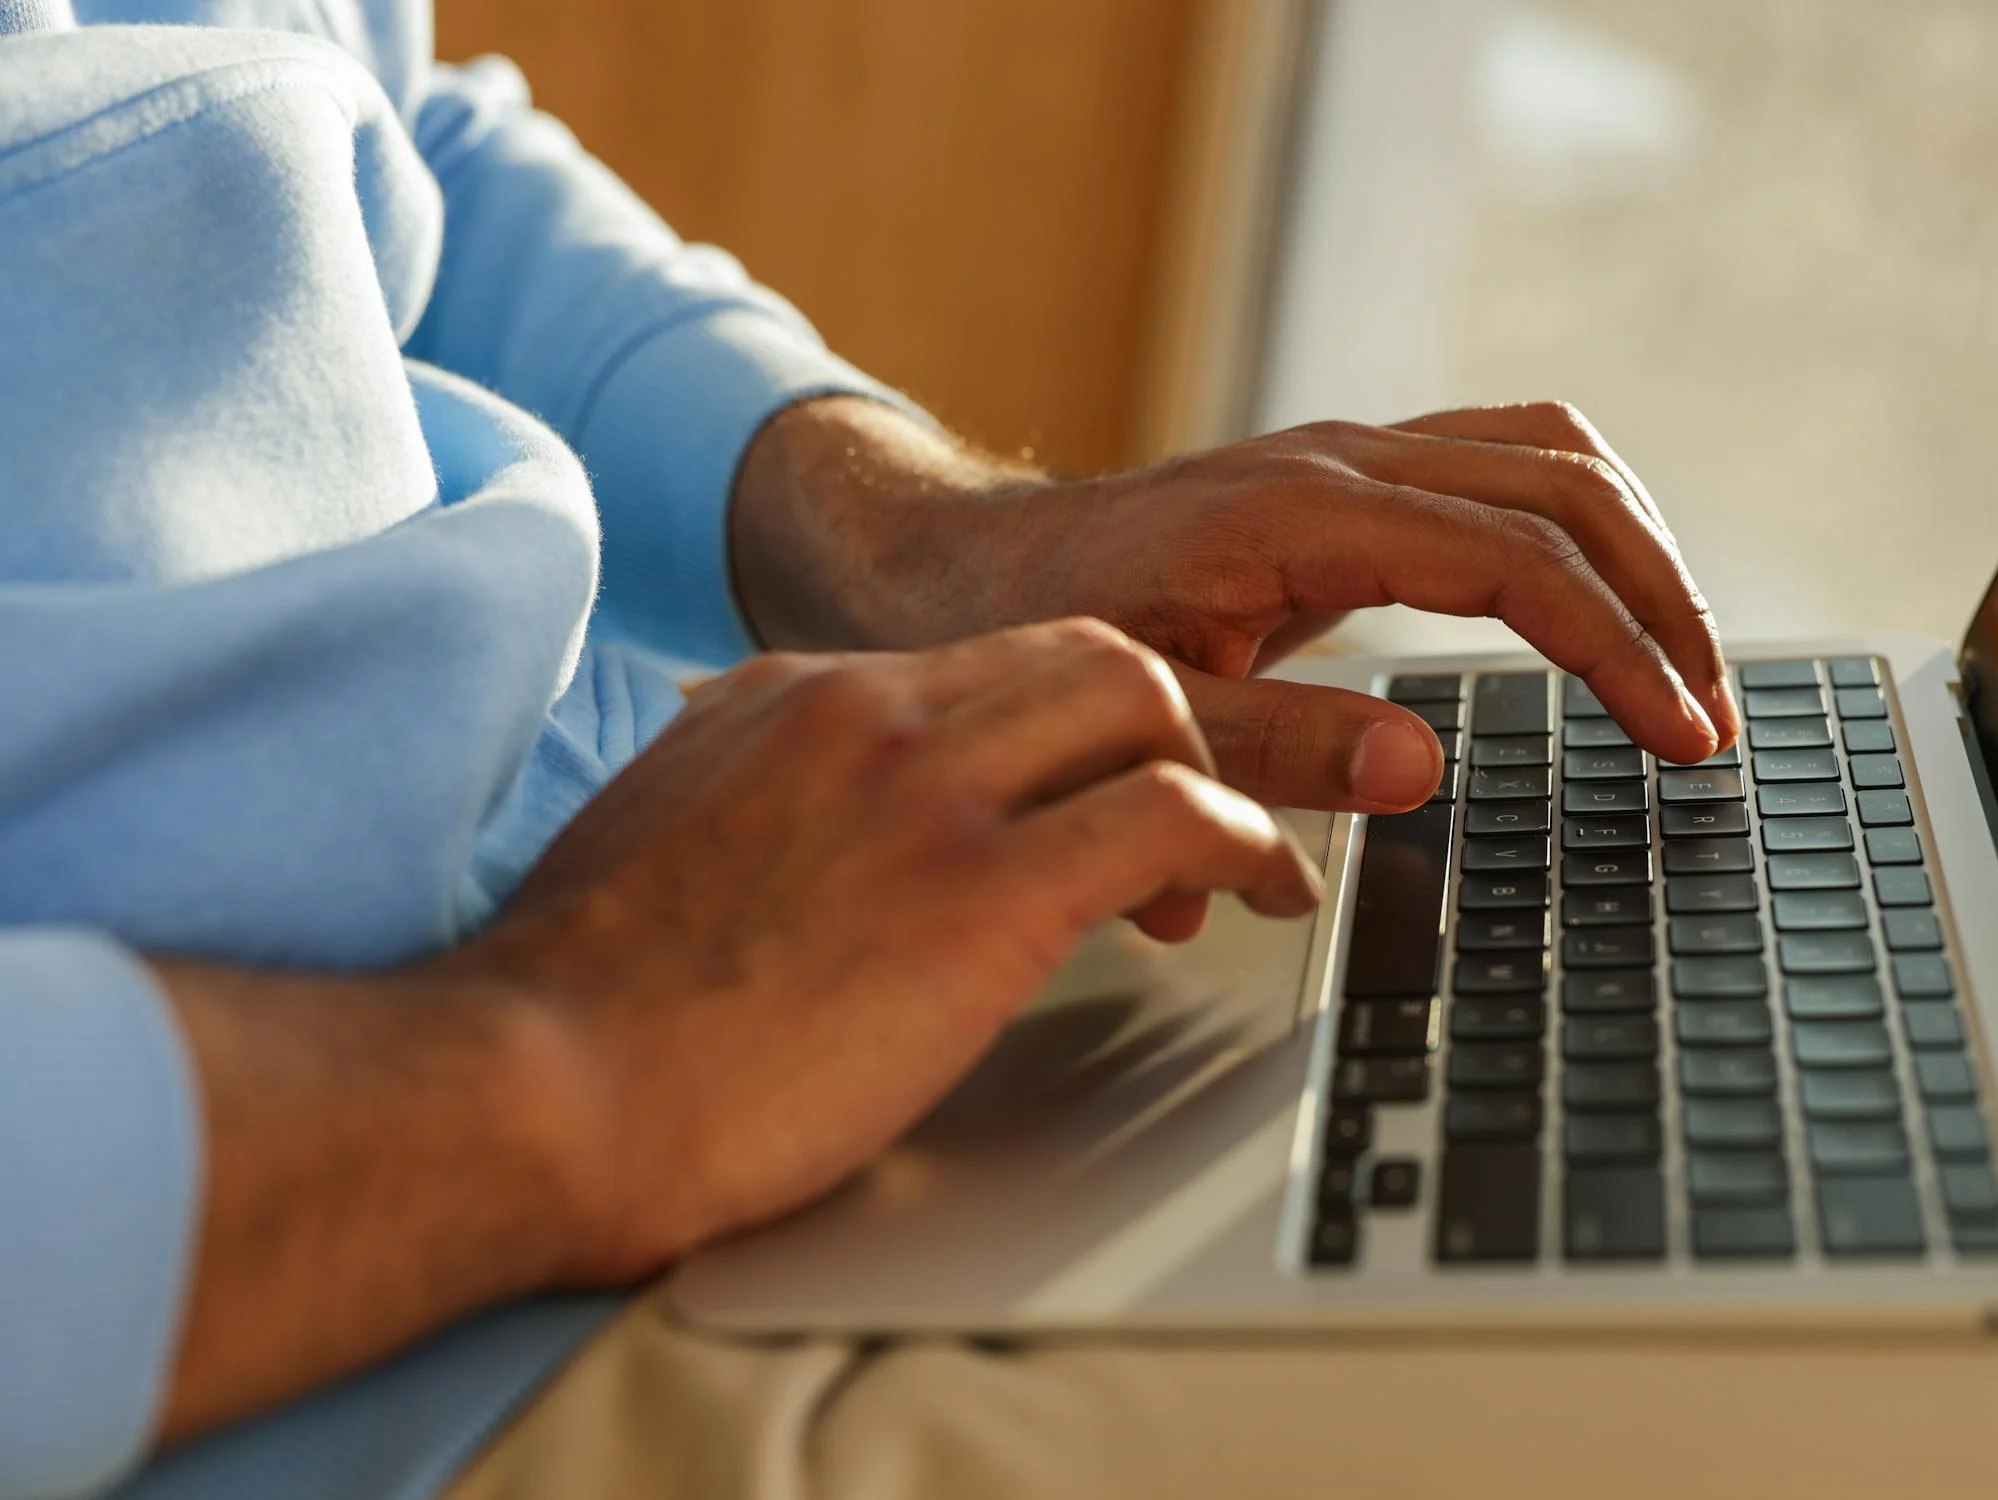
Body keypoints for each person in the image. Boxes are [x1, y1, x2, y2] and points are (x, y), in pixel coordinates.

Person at [0, 2, 1761, 1497]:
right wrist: (560, 1070)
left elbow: (360, 137)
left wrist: (929, 541)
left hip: (675, 973)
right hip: (334, 1318)